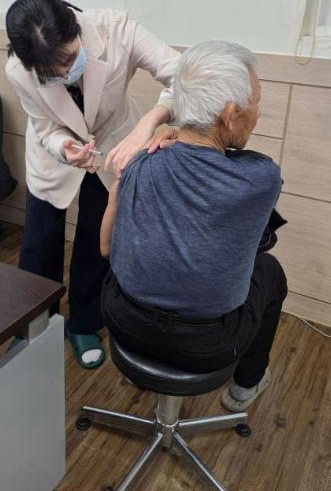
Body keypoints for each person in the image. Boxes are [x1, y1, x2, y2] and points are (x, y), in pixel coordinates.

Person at [100, 40, 288, 411]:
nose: (258, 112)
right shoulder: (261, 179)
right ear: (231, 114)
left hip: (124, 322)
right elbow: (222, 165)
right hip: (206, 346)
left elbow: (106, 249)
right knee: (271, 272)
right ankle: (245, 386)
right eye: (257, 102)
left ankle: (141, 369)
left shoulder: (140, 164)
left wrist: (170, 131)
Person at [5, 0, 180, 369]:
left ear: (75, 26)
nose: (64, 73)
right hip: (53, 157)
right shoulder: (19, 69)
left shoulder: (117, 29)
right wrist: (62, 147)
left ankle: (84, 322)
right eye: (51, 73)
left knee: (94, 239)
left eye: (69, 58)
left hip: (113, 148)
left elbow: (185, 76)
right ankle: (33, 324)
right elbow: (44, 127)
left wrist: (151, 121)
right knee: (39, 241)